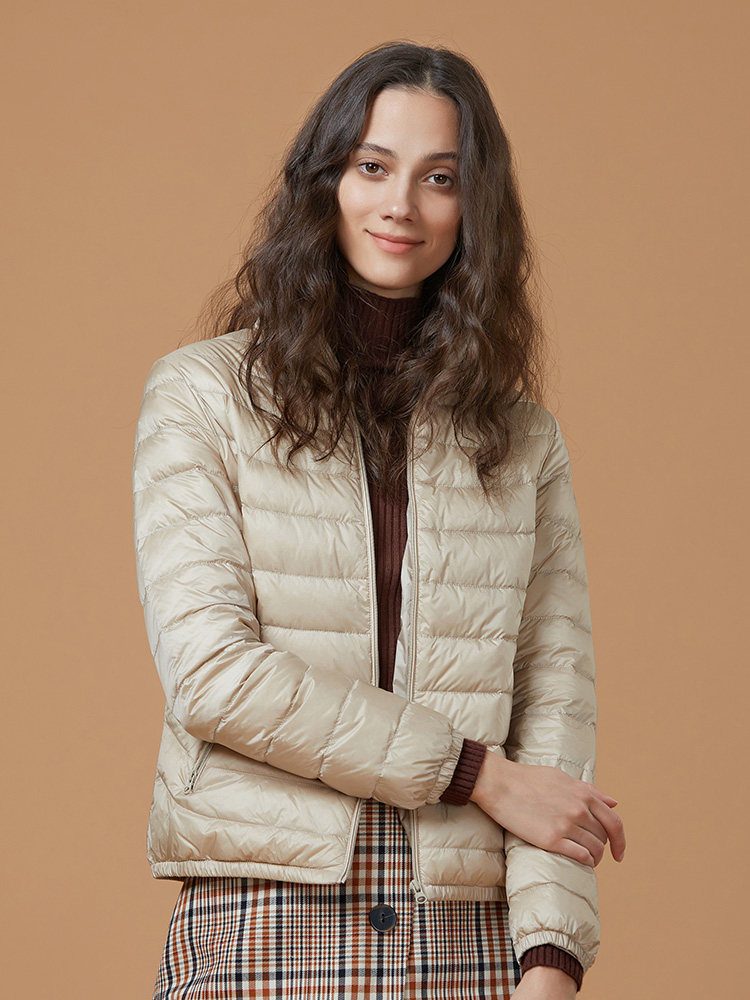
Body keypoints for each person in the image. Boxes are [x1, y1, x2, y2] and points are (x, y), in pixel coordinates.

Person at [132, 40, 626, 1000]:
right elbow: (213, 675)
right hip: (269, 920)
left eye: (440, 178)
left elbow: (553, 713)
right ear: (326, 181)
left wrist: (551, 960)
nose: (401, 204)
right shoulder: (203, 398)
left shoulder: (523, 438)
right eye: (372, 166)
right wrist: (477, 775)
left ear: (474, 209)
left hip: (469, 942)